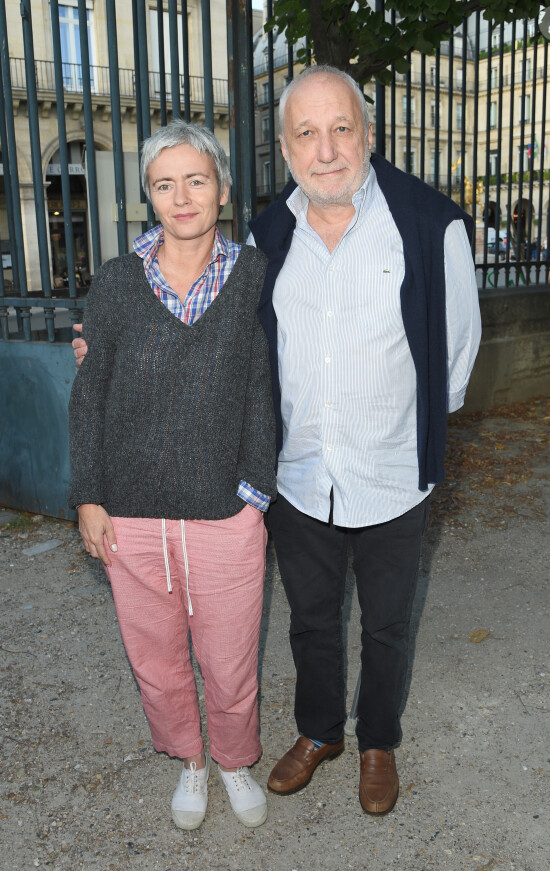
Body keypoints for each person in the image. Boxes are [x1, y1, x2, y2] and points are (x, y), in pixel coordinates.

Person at [73, 65, 481, 818]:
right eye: (306, 133)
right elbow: (209, 318)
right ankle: (319, 730)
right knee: (312, 616)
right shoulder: (268, 234)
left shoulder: (431, 224)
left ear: (367, 133)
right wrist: (100, 344)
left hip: (390, 468)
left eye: (341, 129)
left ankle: (378, 740)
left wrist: (412, 423)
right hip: (297, 474)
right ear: (286, 150)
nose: (326, 149)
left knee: (390, 618)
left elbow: (457, 350)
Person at [68, 120, 276, 831]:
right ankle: (189, 757)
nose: (182, 196)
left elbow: (265, 384)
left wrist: (253, 492)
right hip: (130, 510)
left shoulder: (255, 274)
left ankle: (234, 758)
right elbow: (91, 391)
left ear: (221, 187)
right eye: (165, 184)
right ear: (149, 196)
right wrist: (89, 495)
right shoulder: (119, 282)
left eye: (197, 180)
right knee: (155, 654)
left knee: (229, 653)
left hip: (225, 508)